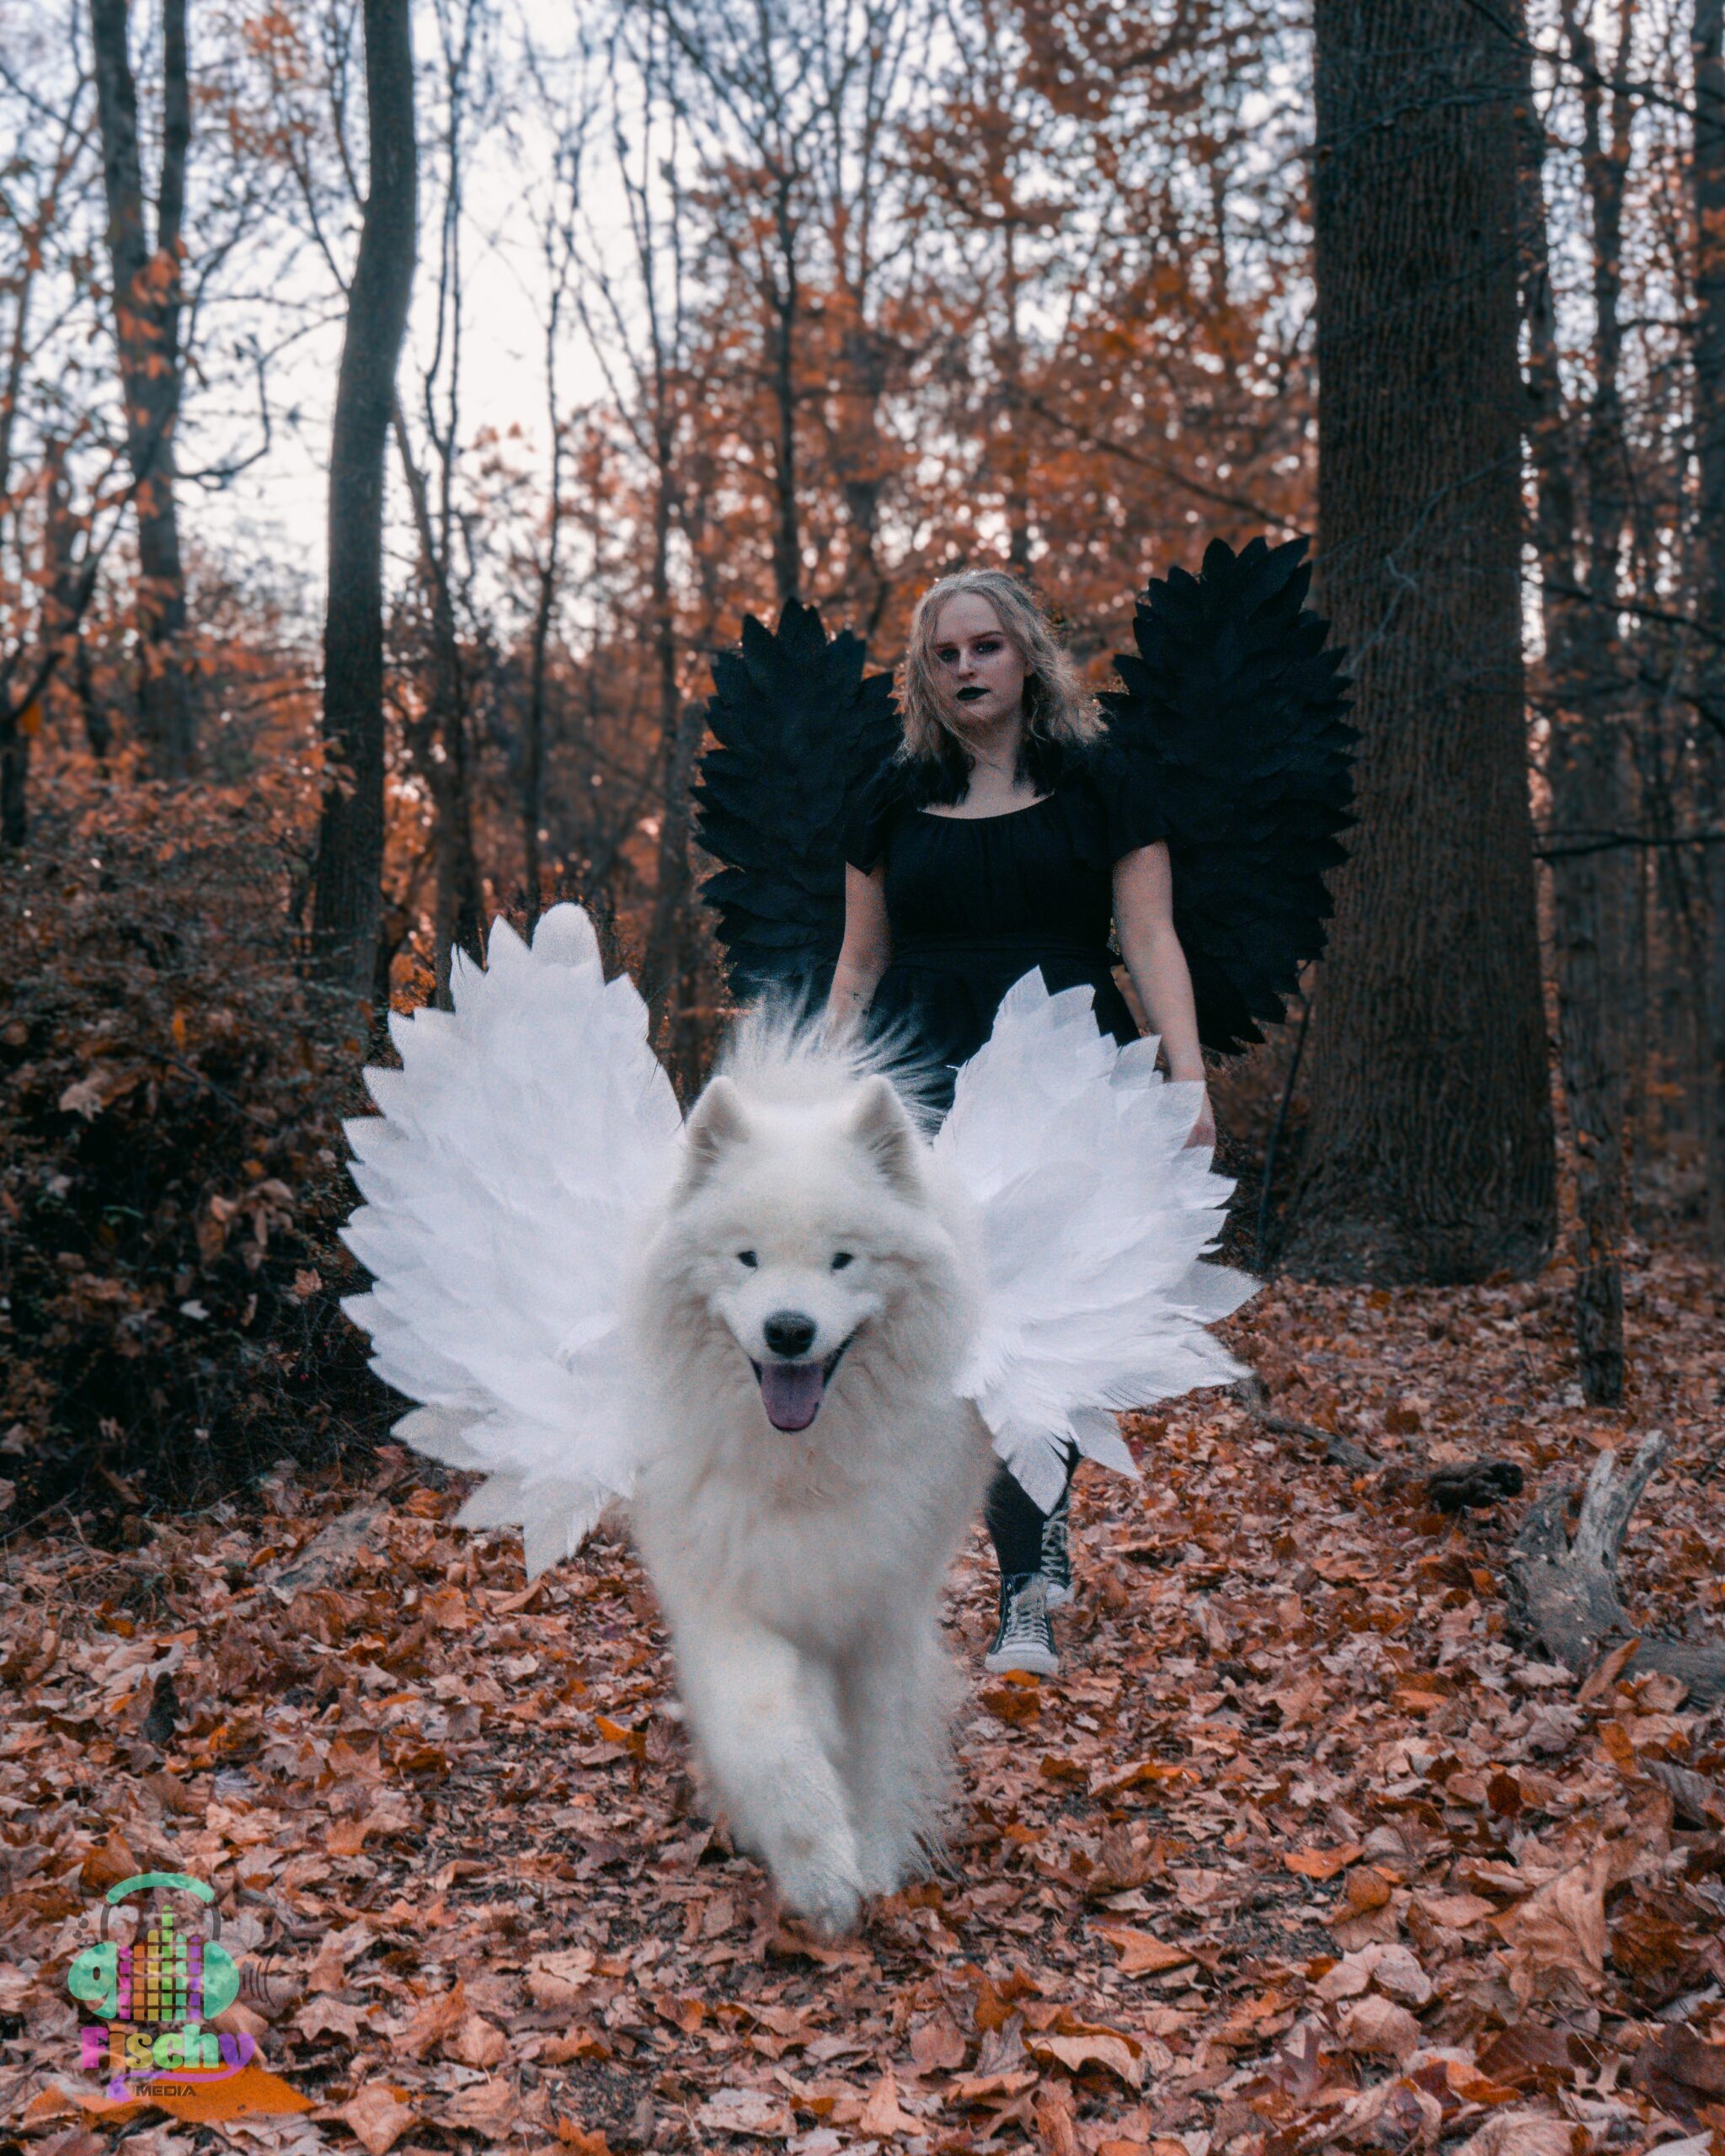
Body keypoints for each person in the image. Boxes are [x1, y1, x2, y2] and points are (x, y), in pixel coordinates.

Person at [823, 568, 1213, 1678]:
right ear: (922, 673)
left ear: (1027, 654)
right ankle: (995, 1547)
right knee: (940, 1329)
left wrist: (1186, 1078)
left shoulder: (1102, 782)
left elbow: (1150, 939)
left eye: (984, 647)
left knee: (1038, 1331)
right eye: (943, 655)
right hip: (921, 1077)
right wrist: (817, 1094)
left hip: (1065, 1076)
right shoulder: (893, 795)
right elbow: (859, 961)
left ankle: (1027, 1585)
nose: (965, 670)